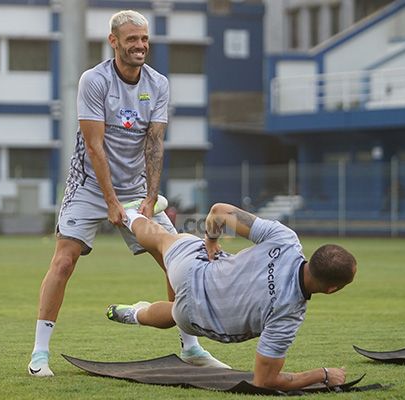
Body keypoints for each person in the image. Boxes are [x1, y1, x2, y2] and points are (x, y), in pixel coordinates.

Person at [27, 10, 228, 377]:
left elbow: (154, 144)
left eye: (145, 39)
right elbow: (94, 146)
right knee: (64, 261)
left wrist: (149, 198)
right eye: (132, 39)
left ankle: (191, 347)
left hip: (137, 191)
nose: (140, 46)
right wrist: (110, 201)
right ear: (114, 41)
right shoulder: (94, 80)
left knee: (177, 258)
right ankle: (39, 355)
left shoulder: (158, 83)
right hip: (88, 187)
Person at [106, 202, 357, 391]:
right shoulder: (289, 315)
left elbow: (219, 212)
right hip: (197, 320)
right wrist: (322, 375)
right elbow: (265, 381)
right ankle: (135, 314)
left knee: (164, 239)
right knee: (176, 312)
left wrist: (211, 239)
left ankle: (129, 214)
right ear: (331, 289)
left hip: (193, 270)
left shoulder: (286, 240)